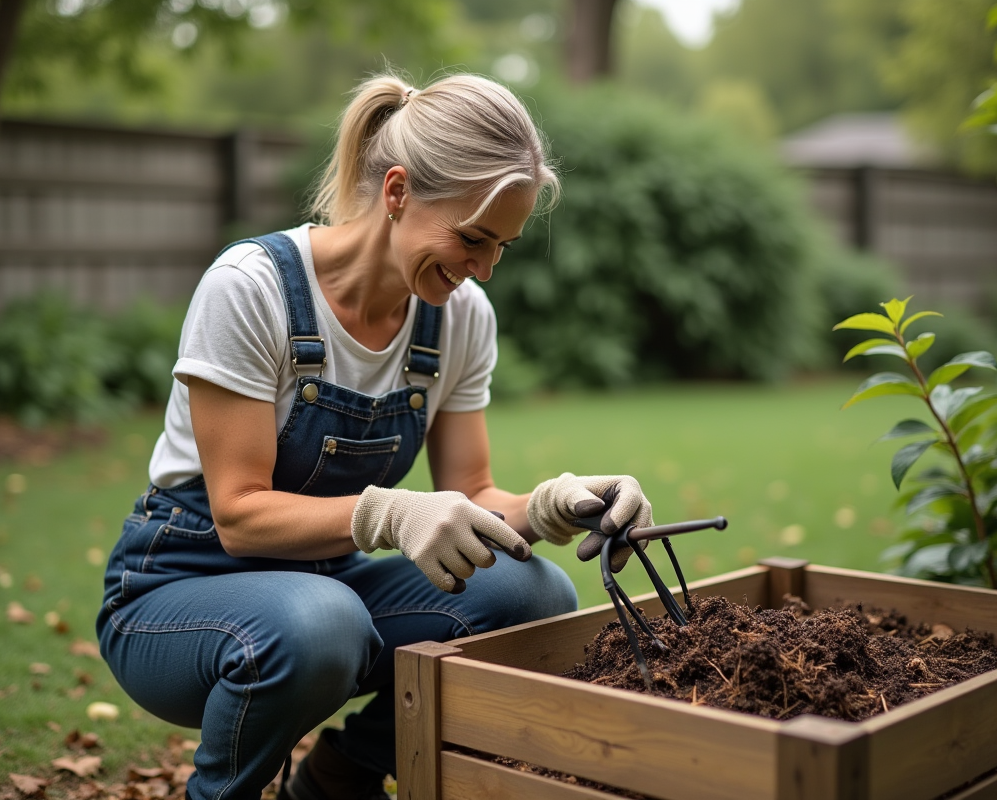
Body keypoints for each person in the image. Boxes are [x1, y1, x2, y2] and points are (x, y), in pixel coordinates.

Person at [95, 71, 654, 800]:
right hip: (181, 590)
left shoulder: (460, 318)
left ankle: (341, 778)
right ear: (397, 193)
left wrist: (555, 503)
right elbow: (237, 514)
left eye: (503, 248)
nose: (483, 269)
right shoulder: (250, 288)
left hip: (330, 587)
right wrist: (391, 511)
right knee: (319, 623)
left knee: (534, 597)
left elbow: (472, 494)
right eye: (473, 238)